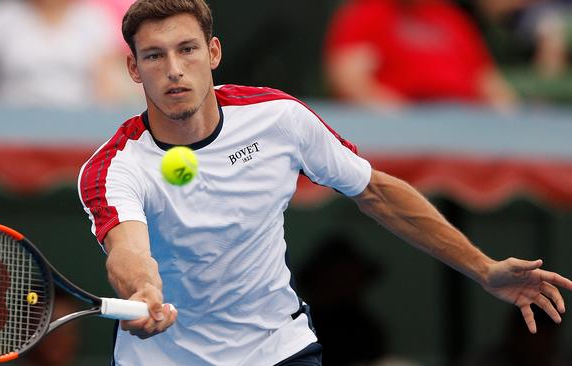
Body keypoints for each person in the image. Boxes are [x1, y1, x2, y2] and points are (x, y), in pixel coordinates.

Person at [77, 0, 572, 365]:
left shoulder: (279, 119)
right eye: (155, 56)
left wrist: (483, 269)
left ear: (213, 53)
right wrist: (143, 291)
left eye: (186, 50)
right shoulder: (114, 167)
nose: (174, 70)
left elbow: (376, 192)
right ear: (133, 68)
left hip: (279, 351)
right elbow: (129, 250)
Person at [323, 0, 517, 111]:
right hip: (408, 123)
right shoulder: (366, 13)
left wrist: (508, 119)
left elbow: (489, 83)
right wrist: (406, 119)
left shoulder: (450, 17)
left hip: (465, 122)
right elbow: (350, 80)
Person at [0, 0, 120, 107]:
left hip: (74, 125)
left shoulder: (92, 18)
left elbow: (106, 82)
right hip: (9, 123)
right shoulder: (1, 14)